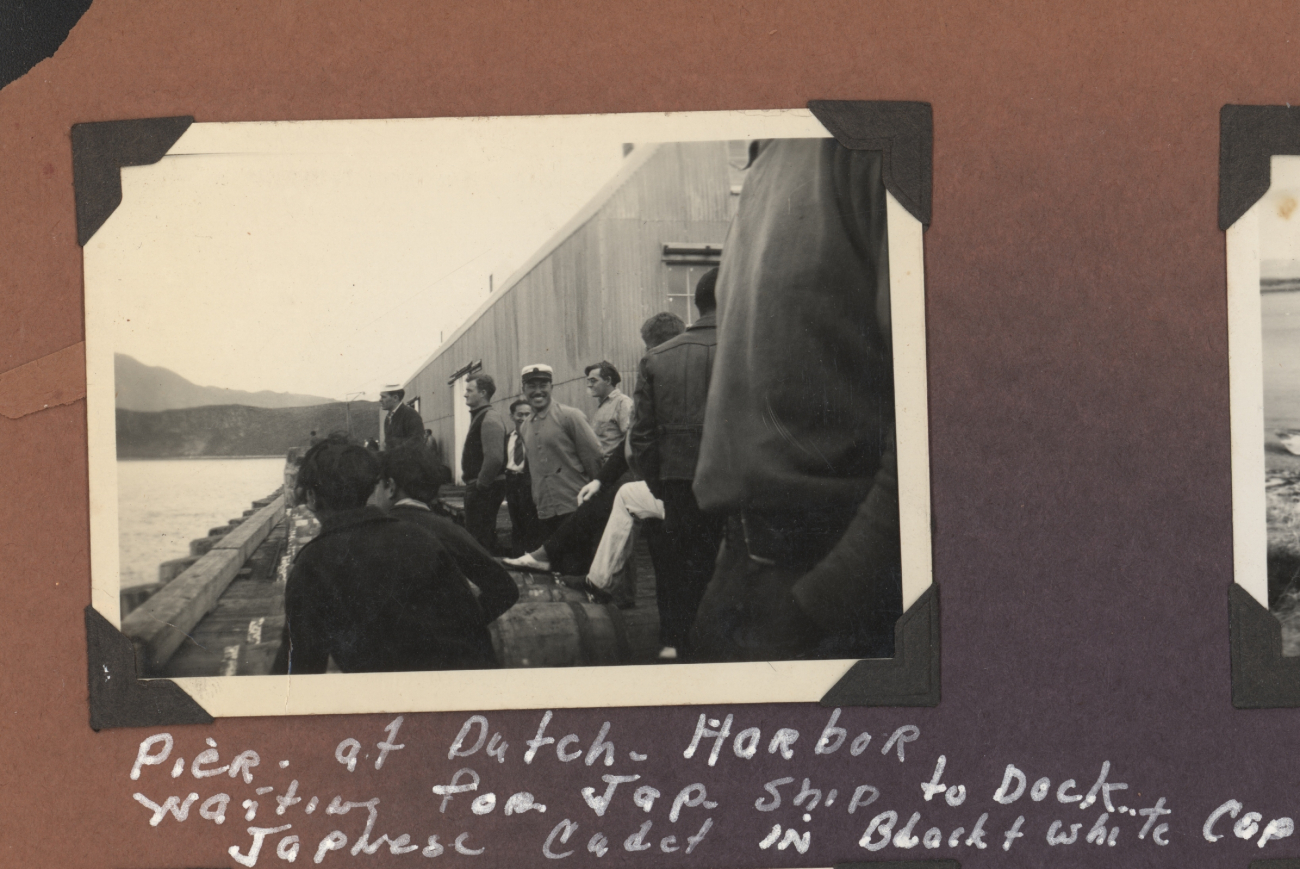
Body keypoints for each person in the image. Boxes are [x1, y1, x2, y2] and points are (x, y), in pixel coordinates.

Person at [691, 137, 902, 663]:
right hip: (743, 573)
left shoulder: (863, 138)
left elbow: (948, 405)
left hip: (825, 591)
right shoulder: (766, 159)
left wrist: (826, 601)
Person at [270, 439, 498, 674]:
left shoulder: (312, 563)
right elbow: (471, 627)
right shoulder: (420, 538)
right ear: (370, 487)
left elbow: (299, 669)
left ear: (311, 497)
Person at [630, 268, 723, 660]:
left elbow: (642, 436)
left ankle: (675, 640)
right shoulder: (752, 346)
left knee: (679, 559)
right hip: (742, 481)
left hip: (678, 480)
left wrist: (658, 483)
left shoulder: (656, 358)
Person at [375, 444, 518, 623]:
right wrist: (463, 626)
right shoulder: (450, 531)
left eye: (377, 484)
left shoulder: (373, 532)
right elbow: (505, 589)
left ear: (391, 487)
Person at [503, 363, 603, 575]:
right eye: (532, 386)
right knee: (555, 572)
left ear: (551, 386)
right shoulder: (525, 426)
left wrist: (595, 500)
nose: (538, 390)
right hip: (545, 511)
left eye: (543, 384)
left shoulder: (570, 416)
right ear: (524, 390)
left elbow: (594, 458)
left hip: (574, 506)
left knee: (577, 570)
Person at [461, 374, 508, 552]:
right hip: (482, 487)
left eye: (469, 390)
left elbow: (495, 458)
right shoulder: (481, 416)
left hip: (484, 489)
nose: (465, 394)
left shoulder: (489, 418)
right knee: (479, 535)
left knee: (480, 538)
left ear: (482, 393)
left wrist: (480, 485)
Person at [504, 398, 540, 554]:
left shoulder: (536, 437)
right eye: (520, 414)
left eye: (528, 414)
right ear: (512, 416)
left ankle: (531, 556)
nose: (524, 418)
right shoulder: (507, 438)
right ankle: (517, 555)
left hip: (529, 482)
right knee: (515, 520)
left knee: (531, 521)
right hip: (511, 481)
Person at [585, 361, 634, 460]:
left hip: (615, 471)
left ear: (607, 380)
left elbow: (632, 441)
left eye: (593, 381)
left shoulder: (622, 402)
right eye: (588, 381)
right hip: (602, 469)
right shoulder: (603, 405)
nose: (589, 385)